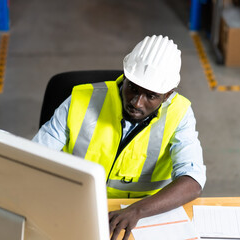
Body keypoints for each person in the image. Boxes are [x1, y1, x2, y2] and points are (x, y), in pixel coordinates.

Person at [33, 35, 206, 240]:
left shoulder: (180, 114)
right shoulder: (81, 100)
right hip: (77, 206)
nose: (137, 102)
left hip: (143, 217)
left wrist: (137, 210)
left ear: (167, 95)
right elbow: (35, 156)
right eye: (132, 88)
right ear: (125, 76)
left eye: (150, 96)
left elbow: (192, 180)